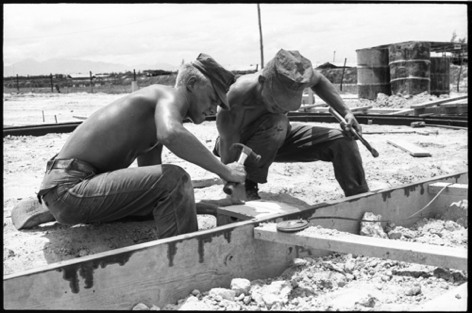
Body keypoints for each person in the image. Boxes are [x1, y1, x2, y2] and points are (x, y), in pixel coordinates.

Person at [12, 53, 246, 238]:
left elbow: (155, 191)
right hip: (70, 188)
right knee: (176, 177)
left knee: (165, 188)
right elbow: (172, 135)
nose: (212, 109)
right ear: (192, 83)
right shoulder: (168, 96)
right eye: (213, 98)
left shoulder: (155, 119)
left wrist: (210, 206)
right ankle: (185, 256)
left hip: (69, 188)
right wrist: (224, 170)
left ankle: (49, 208)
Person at [213, 49, 369, 200]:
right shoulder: (235, 100)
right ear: (262, 82)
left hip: (278, 136)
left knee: (342, 141)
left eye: (286, 105)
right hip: (242, 147)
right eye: (276, 104)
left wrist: (346, 112)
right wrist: (235, 184)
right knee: (277, 121)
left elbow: (319, 80)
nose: (281, 108)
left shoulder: (296, 78)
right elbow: (228, 152)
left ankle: (359, 197)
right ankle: (249, 186)